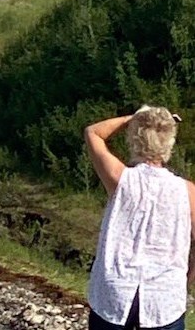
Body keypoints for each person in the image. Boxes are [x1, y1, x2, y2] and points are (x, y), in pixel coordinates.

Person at [85, 106, 195, 330]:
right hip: (165, 297)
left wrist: (131, 118)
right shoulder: (189, 192)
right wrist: (186, 279)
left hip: (115, 290)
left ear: (134, 139)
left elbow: (93, 132)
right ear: (170, 143)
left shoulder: (119, 178)